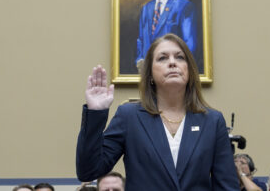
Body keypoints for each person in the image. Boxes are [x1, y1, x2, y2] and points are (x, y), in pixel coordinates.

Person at [76, 33, 239, 190]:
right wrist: (95, 113)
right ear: (151, 75)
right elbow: (89, 171)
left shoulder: (212, 121)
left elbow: (227, 186)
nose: (172, 62)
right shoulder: (129, 116)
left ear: (189, 70)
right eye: (163, 58)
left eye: (180, 57)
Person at [136, 0, 197, 71]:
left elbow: (189, 43)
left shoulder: (184, 6)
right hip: (148, 71)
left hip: (172, 70)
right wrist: (140, 59)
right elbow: (141, 39)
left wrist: (178, 67)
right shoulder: (146, 8)